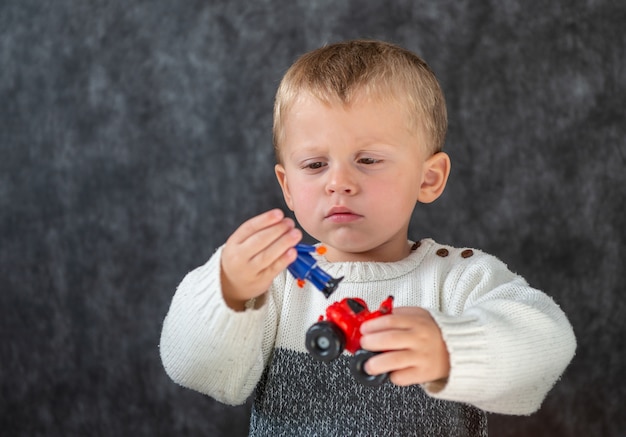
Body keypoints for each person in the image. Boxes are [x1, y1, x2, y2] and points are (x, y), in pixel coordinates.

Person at [160, 40, 576, 436]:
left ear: (428, 178)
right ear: (287, 187)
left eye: (369, 160)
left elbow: (547, 342)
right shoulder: (274, 281)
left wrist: (453, 347)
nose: (339, 183)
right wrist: (228, 290)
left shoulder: (459, 279)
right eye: (315, 163)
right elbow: (200, 371)